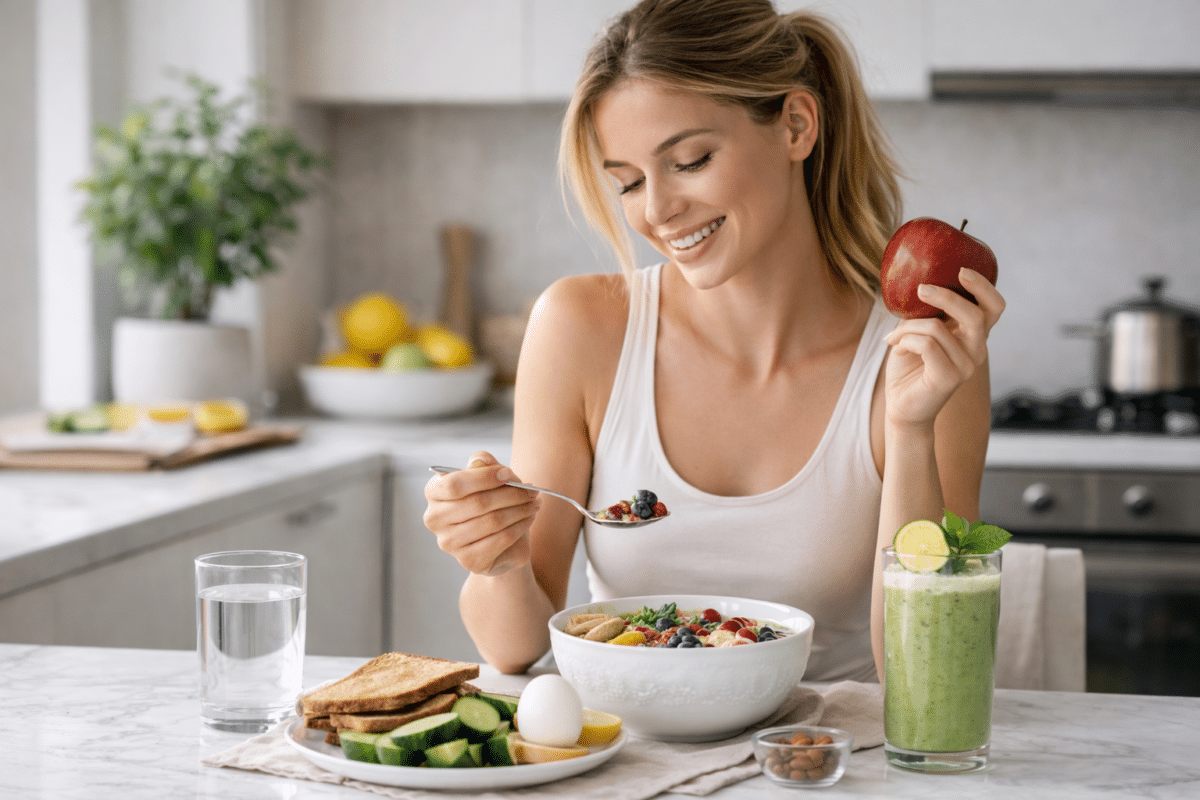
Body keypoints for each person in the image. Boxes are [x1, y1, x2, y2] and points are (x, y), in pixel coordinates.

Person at [424, 0, 1004, 682]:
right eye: (630, 182)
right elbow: (514, 648)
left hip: (822, 770)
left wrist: (910, 429)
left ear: (795, 125)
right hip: (634, 769)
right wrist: (500, 562)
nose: (658, 210)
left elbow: (926, 678)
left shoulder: (920, 355)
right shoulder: (581, 327)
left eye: (690, 160)